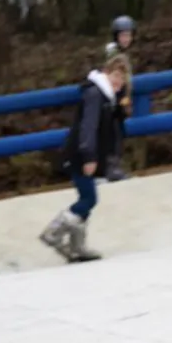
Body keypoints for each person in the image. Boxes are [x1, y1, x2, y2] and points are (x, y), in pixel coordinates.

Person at [38, 52, 132, 262]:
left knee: (87, 198)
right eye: (116, 76)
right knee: (89, 198)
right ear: (107, 73)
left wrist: (121, 106)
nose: (119, 82)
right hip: (81, 154)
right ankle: (53, 232)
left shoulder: (109, 98)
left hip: (90, 154)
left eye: (123, 79)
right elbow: (87, 127)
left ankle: (76, 245)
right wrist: (89, 156)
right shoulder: (95, 94)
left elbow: (113, 127)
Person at [102, 15, 136, 180]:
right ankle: (111, 167)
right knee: (113, 132)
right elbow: (117, 80)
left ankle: (113, 166)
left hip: (119, 98)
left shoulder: (119, 53)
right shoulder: (115, 56)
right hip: (112, 100)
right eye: (123, 35)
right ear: (116, 36)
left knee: (118, 132)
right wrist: (122, 100)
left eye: (128, 35)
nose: (126, 39)